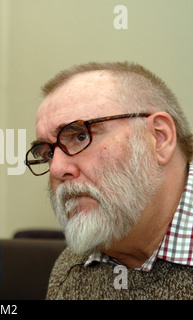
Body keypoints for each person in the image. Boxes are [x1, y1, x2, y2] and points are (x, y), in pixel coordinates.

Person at [25, 61, 193, 299]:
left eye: (80, 136)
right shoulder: (73, 270)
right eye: (48, 153)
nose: (57, 168)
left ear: (159, 138)